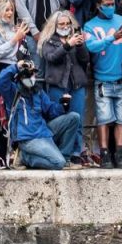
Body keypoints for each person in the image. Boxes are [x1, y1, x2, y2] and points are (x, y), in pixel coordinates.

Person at [85, 0, 122, 168]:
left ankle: (120, 154)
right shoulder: (90, 25)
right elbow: (91, 46)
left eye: (112, 4)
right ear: (98, 5)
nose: (111, 7)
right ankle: (105, 155)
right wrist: (112, 37)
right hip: (102, 79)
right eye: (107, 4)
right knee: (103, 118)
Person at [0, 59, 80, 170]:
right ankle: (25, 157)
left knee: (74, 117)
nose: (32, 77)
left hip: (43, 132)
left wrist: (63, 105)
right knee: (58, 163)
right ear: (20, 76)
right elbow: (1, 81)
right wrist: (17, 66)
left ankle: (65, 158)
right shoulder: (12, 91)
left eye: (33, 73)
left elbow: (50, 110)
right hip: (27, 139)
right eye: (29, 74)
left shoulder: (38, 91)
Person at [39, 10, 89, 165]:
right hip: (57, 85)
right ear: (54, 25)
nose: (65, 26)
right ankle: (59, 153)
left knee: (78, 119)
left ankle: (76, 152)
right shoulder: (48, 41)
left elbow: (85, 60)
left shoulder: (75, 38)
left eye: (68, 23)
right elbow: (52, 57)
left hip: (76, 84)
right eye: (61, 24)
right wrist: (68, 45)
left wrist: (80, 46)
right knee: (59, 119)